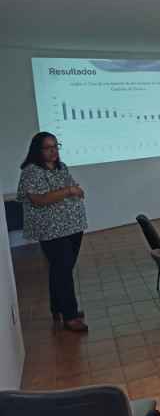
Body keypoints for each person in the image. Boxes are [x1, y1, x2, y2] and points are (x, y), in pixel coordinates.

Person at [17, 132, 88, 332]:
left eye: (56, 146)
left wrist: (76, 191)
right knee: (63, 270)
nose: (53, 151)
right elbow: (38, 199)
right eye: (48, 148)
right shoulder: (31, 171)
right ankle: (70, 316)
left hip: (73, 226)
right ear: (37, 150)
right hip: (51, 230)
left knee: (61, 269)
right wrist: (69, 191)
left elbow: (73, 186)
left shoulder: (61, 167)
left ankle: (58, 307)